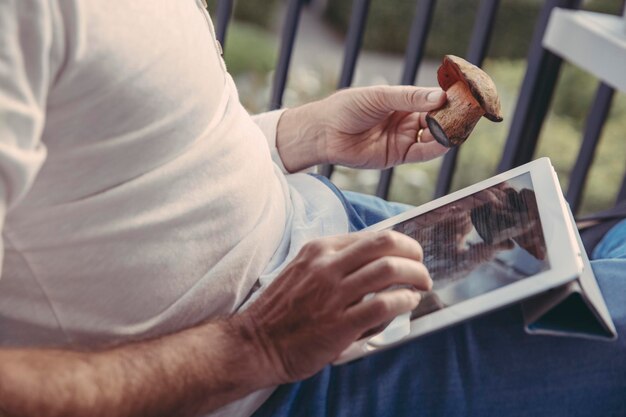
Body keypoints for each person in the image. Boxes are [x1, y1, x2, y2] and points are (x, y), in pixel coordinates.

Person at [0, 2, 623, 417]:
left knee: (590, 260)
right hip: (280, 376)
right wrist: (253, 346)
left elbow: (124, 147)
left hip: (327, 236)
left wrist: (293, 136)